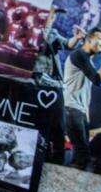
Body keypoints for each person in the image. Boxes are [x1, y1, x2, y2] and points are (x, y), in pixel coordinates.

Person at [33, 9, 84, 165]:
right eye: (50, 14)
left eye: (54, 16)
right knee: (40, 123)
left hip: (55, 85)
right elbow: (41, 41)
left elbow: (67, 44)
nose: (52, 18)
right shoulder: (34, 30)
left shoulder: (53, 32)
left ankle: (57, 160)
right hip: (39, 80)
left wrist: (77, 37)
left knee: (59, 126)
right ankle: (40, 156)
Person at [62, 27, 101, 171]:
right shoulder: (79, 55)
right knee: (82, 155)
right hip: (71, 108)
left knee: (81, 155)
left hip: (79, 110)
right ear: (89, 39)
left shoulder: (87, 60)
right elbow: (97, 80)